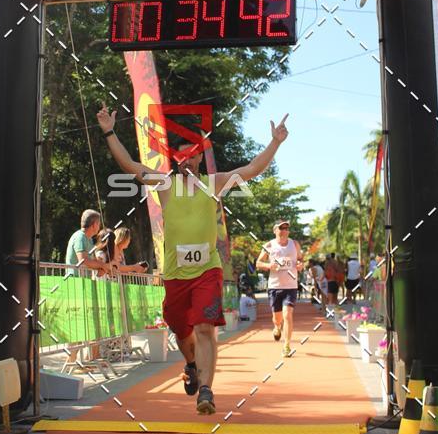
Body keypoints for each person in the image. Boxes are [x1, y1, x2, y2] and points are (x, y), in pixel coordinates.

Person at [97, 103, 289, 415]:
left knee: (204, 328)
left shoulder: (213, 184)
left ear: (200, 156)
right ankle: (190, 364)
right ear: (177, 158)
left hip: (206, 272)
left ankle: (206, 391)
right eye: (183, 154)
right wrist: (108, 130)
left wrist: (275, 142)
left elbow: (252, 169)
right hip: (175, 275)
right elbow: (129, 165)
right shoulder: (165, 184)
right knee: (181, 330)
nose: (189, 158)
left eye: (194, 153)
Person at [256, 221, 303, 356]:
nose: (285, 230)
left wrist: (300, 265)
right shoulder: (269, 245)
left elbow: (300, 259)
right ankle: (277, 327)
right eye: (282, 228)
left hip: (291, 286)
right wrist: (269, 266)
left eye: (287, 228)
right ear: (275, 230)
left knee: (287, 315)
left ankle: (287, 345)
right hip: (275, 286)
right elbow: (258, 263)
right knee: (277, 318)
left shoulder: (294, 244)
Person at [65, 209, 110, 276]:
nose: (99, 227)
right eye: (99, 224)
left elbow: (93, 260)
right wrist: (102, 265)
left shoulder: (89, 239)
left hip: (84, 281)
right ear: (94, 224)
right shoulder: (80, 237)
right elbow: (83, 261)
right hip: (75, 281)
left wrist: (102, 267)